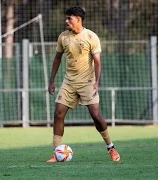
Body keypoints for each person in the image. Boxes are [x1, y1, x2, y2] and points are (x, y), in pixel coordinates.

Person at [46, 7, 120, 162]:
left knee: (95, 115)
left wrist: (96, 83)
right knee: (58, 113)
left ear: (78, 20)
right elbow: (57, 59)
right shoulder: (63, 37)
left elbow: (98, 62)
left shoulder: (91, 36)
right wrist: (52, 80)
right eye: (66, 18)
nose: (66, 21)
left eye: (69, 19)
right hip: (69, 82)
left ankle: (111, 147)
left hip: (87, 82)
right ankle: (57, 152)